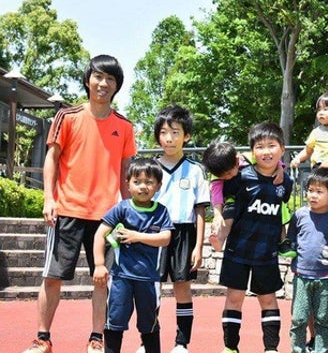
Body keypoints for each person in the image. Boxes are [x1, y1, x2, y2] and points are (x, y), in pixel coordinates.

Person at [23, 54, 137, 353]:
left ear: (117, 86)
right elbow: (52, 158)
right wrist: (49, 198)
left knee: (102, 279)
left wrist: (128, 211)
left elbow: (125, 171)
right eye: (98, 76)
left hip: (107, 218)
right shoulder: (68, 116)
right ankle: (42, 338)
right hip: (67, 211)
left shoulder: (124, 126)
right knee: (52, 277)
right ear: (88, 80)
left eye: (110, 79)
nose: (103, 83)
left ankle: (96, 339)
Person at [219, 122, 294, 353]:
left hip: (266, 253)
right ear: (252, 151)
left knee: (268, 299)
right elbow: (218, 188)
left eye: (272, 146)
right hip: (237, 250)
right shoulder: (240, 177)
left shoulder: (286, 182)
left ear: (282, 149)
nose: (266, 151)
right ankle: (230, 347)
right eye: (260, 147)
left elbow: (282, 213)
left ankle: (271, 348)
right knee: (234, 298)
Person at [92, 158, 174, 353]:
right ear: (128, 184)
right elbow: (100, 234)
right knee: (114, 322)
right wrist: (99, 265)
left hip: (149, 280)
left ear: (158, 186)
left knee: (150, 324)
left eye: (149, 182)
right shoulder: (122, 208)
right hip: (121, 278)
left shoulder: (161, 212)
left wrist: (137, 236)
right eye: (137, 182)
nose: (143, 186)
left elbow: (165, 238)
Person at [146, 105, 210, 353]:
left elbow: (200, 210)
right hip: (154, 233)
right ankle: (147, 341)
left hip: (184, 234)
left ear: (187, 136)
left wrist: (198, 246)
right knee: (152, 289)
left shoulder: (194, 170)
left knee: (182, 288)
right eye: (164, 132)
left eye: (175, 132)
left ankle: (182, 342)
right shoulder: (150, 169)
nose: (169, 138)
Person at [287, 167, 328, 353]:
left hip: (325, 278)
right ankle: (297, 349)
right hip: (301, 276)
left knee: (322, 319)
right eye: (310, 190)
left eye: (319, 192)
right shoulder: (299, 215)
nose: (313, 195)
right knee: (299, 318)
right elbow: (291, 240)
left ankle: (321, 350)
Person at [202, 141, 286, 253]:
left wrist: (279, 168)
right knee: (228, 217)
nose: (226, 177)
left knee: (277, 214)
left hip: (256, 197)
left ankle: (283, 241)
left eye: (228, 173)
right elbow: (217, 195)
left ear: (237, 161)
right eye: (222, 177)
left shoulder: (250, 157)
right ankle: (219, 240)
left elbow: (271, 159)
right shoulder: (217, 173)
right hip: (233, 199)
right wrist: (217, 215)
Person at [290, 90, 328, 194]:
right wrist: (298, 159)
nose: (321, 113)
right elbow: (307, 151)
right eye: (319, 109)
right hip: (319, 168)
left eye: (325, 109)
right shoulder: (315, 132)